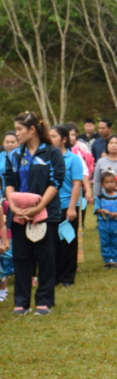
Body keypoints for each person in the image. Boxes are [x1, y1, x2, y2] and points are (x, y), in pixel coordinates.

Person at [4, 111, 65, 316]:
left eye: (19, 129)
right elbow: (8, 182)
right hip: (19, 214)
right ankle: (21, 303)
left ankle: (44, 302)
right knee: (21, 257)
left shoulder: (52, 153)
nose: (16, 133)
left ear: (32, 129)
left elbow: (56, 182)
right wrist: (13, 206)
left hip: (46, 213)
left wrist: (39, 207)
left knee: (45, 257)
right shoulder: (13, 155)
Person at [49, 125, 82, 285]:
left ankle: (67, 277)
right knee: (51, 243)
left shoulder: (73, 159)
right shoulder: (45, 159)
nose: (50, 139)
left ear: (64, 139)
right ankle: (53, 276)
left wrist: (71, 207)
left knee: (67, 242)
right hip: (49, 206)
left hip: (67, 205)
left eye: (54, 136)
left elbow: (77, 184)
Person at [94, 172, 117, 268]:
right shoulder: (100, 197)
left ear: (115, 183)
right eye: (107, 182)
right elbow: (96, 209)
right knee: (105, 241)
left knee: (116, 242)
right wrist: (102, 211)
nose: (109, 184)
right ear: (102, 184)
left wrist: (116, 214)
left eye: (111, 182)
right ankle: (107, 260)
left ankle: (115, 260)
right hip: (103, 223)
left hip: (116, 223)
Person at [1, 131, 19, 286]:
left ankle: (13, 266)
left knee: (12, 230)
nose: (10, 144)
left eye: (13, 141)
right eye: (7, 141)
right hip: (2, 199)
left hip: (16, 198)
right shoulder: (0, 157)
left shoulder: (21, 157)